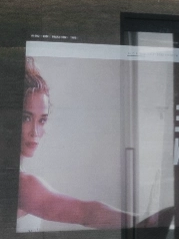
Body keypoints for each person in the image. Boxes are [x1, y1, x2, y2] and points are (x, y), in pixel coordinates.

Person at [17, 58, 168, 229]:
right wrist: (140, 222)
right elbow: (85, 213)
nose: (35, 132)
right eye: (26, 118)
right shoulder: (22, 185)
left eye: (42, 120)